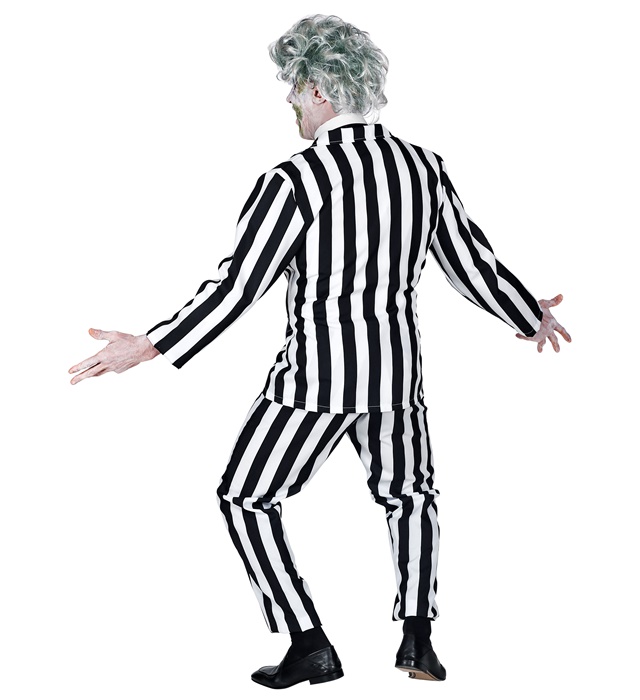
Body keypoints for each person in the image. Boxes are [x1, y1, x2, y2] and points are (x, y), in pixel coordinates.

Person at [69, 14, 571, 689]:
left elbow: (238, 287)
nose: (289, 103)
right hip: (397, 378)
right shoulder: (423, 168)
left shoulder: (295, 180)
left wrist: (152, 344)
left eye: (293, 88)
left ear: (319, 90)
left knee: (245, 495)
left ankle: (309, 641)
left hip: (314, 381)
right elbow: (470, 262)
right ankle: (418, 641)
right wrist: (528, 313)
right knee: (411, 497)